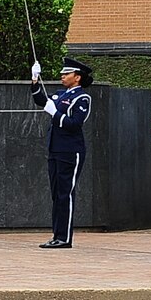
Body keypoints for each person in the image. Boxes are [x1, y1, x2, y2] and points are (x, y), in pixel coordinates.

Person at [30, 55, 94, 249]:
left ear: (78, 77)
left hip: (70, 150)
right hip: (55, 148)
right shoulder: (61, 94)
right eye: (62, 73)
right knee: (57, 194)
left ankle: (64, 238)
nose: (62, 76)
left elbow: (74, 124)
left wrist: (54, 113)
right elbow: (42, 101)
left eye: (67, 73)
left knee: (66, 193)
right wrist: (34, 80)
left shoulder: (82, 98)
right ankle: (57, 235)